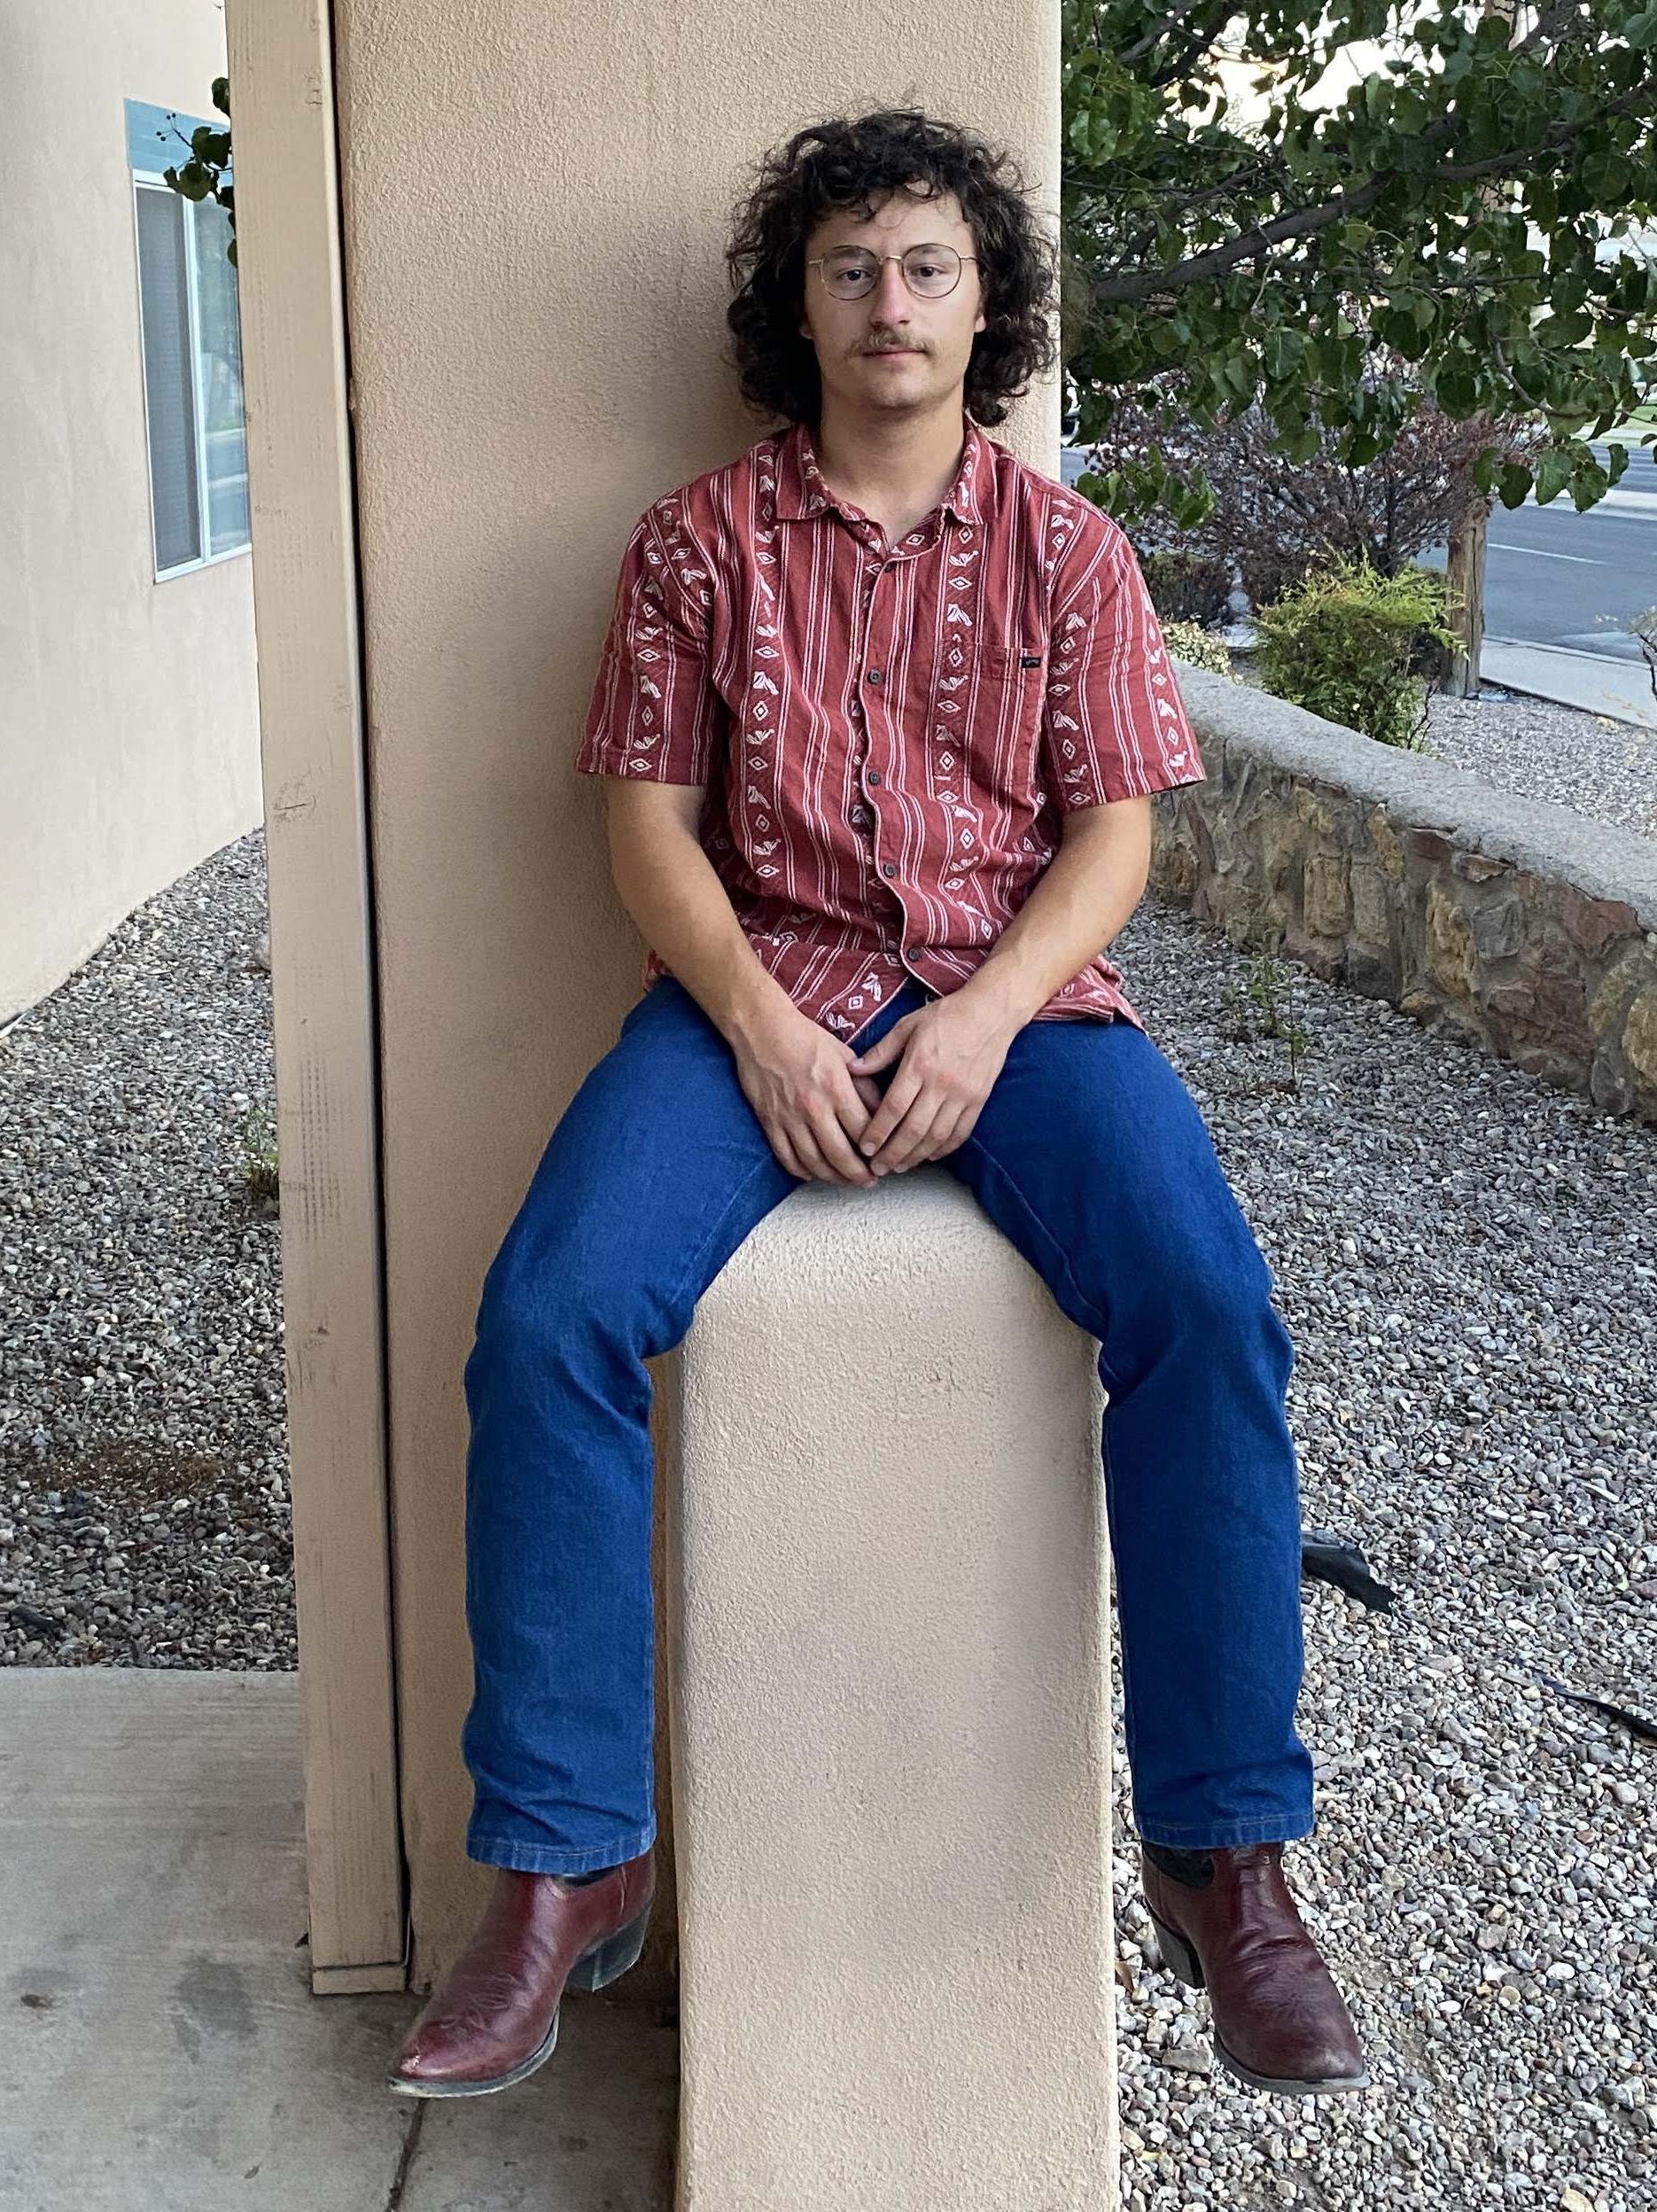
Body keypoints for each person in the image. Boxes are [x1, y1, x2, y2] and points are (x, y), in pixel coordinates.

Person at [387, 109, 1367, 2104]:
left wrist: (990, 1018)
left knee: (1203, 1299)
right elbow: (644, 830)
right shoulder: (696, 545)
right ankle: (572, 1862)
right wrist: (750, 1023)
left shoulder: (1069, 553)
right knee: (549, 1315)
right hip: (761, 994)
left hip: (1015, 1006)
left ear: (983, 302)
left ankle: (1219, 1854)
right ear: (797, 305)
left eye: (925, 266)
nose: (888, 303)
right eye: (850, 269)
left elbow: (1114, 842)